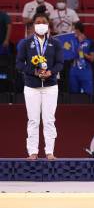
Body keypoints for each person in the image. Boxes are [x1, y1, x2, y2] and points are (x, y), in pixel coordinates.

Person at [16, 13, 64, 160]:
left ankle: (49, 152)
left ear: (48, 25)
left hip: (50, 86)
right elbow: (19, 64)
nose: (41, 24)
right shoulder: (25, 43)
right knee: (33, 120)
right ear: (34, 25)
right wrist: (35, 72)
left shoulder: (55, 43)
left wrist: (51, 72)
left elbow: (60, 63)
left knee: (49, 120)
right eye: (38, 22)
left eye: (44, 22)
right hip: (31, 86)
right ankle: (32, 152)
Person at [68, 22, 94, 96]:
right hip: (73, 71)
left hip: (85, 71)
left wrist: (82, 53)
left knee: (88, 94)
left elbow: (92, 59)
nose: (71, 31)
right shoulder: (71, 43)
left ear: (77, 30)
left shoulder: (90, 42)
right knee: (73, 94)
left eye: (72, 29)